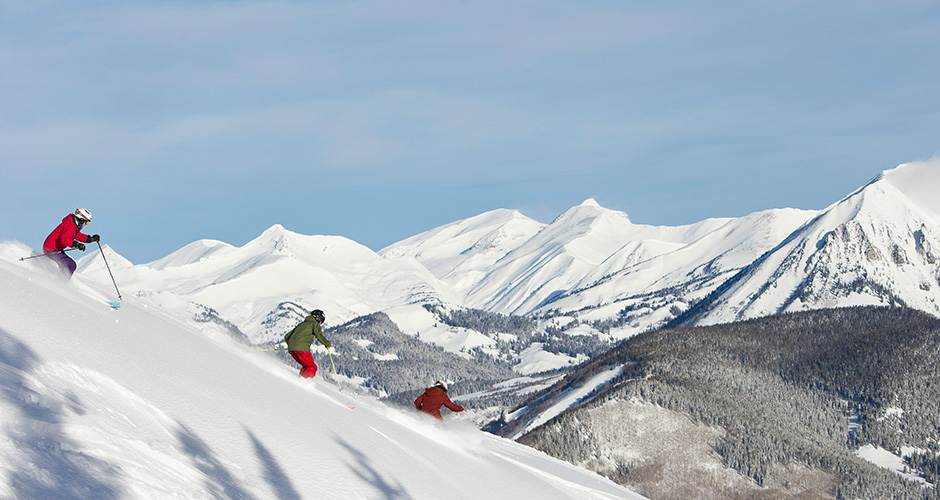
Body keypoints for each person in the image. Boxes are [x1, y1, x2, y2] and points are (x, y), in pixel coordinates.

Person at [43, 208, 99, 278]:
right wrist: (76, 244)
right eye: (87, 222)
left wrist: (91, 239)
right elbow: (64, 239)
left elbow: (77, 235)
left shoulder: (72, 225)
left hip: (54, 249)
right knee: (71, 265)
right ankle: (60, 283)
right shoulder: (70, 226)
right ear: (81, 220)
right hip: (51, 250)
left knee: (68, 265)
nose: (86, 224)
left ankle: (59, 279)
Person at [284, 309, 330, 378]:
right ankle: (304, 382)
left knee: (306, 366)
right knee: (311, 367)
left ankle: (300, 380)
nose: (320, 324)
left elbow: (287, 336)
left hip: (292, 350)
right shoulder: (314, 324)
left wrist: (293, 345)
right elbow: (319, 335)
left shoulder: (301, 324)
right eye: (321, 322)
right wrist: (327, 344)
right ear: (318, 319)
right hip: (302, 350)